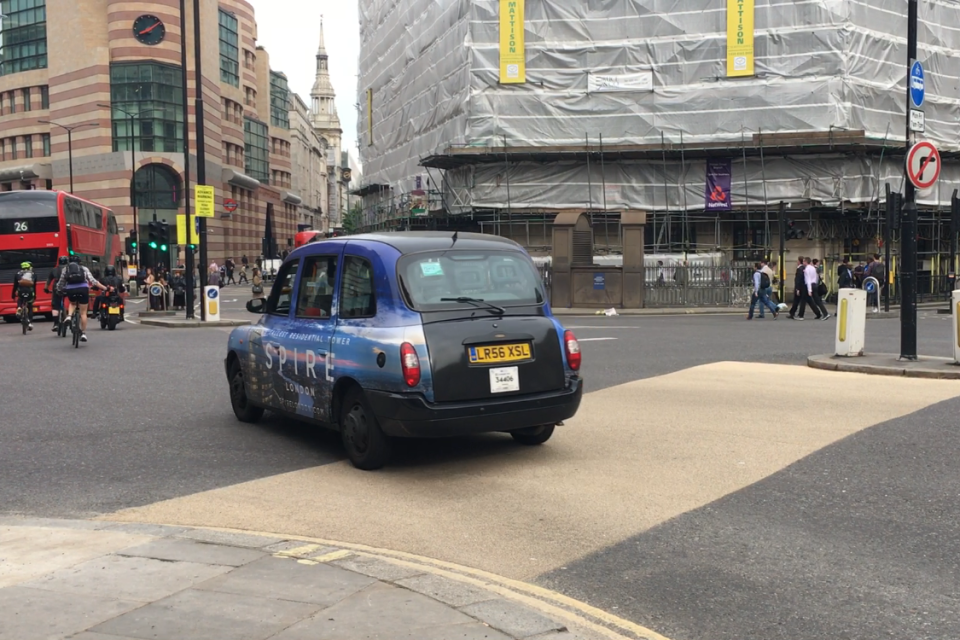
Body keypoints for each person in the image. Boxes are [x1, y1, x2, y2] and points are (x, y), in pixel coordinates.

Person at [56, 256, 107, 342]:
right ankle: (83, 333)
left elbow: (61, 282)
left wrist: (58, 289)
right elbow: (93, 281)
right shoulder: (84, 268)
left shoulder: (66, 269)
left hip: (71, 289)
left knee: (72, 303)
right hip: (83, 289)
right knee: (83, 313)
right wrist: (105, 288)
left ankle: (69, 316)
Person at [45, 256, 69, 332]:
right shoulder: (69, 269)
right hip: (68, 287)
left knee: (55, 305)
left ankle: (56, 324)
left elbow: (49, 280)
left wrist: (46, 288)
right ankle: (72, 317)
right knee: (73, 302)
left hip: (57, 288)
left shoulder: (54, 270)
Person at [11, 261, 37, 331]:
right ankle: (30, 322)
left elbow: (15, 286)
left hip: (21, 291)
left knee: (20, 299)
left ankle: (19, 307)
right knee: (30, 306)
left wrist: (13, 295)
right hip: (29, 292)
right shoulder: (33, 274)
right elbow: (34, 286)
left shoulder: (17, 274)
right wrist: (35, 295)